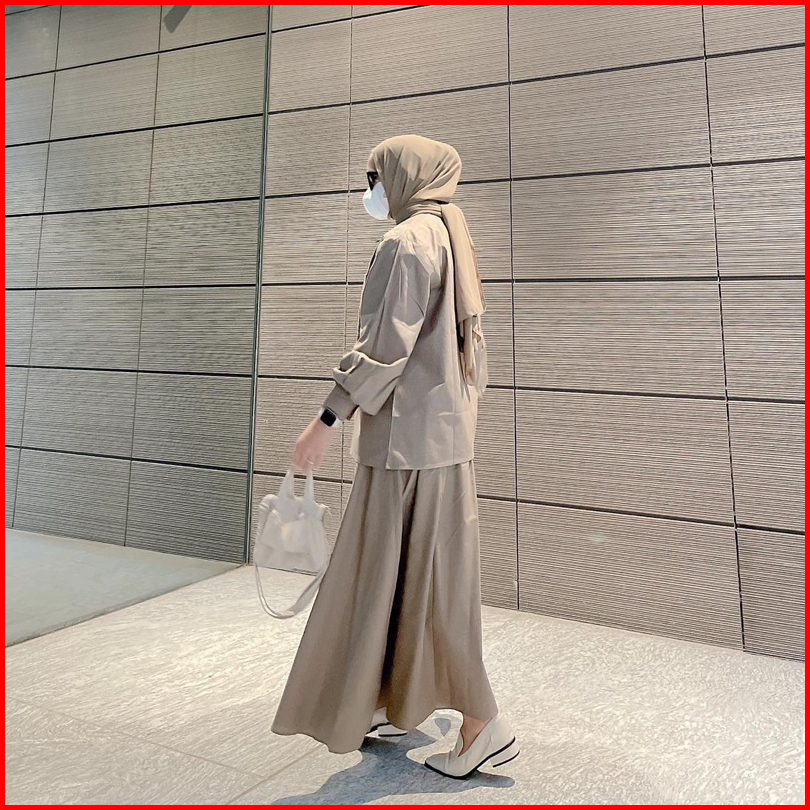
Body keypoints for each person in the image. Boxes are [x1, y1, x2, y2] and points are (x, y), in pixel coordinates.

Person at [270, 134, 519, 778]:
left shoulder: (407, 241)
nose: (370, 190)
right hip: (441, 440)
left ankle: (480, 720)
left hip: (406, 444)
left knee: (404, 577)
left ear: (405, 177)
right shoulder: (450, 234)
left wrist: (326, 418)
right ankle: (386, 698)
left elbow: (385, 347)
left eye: (375, 176)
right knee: (409, 576)